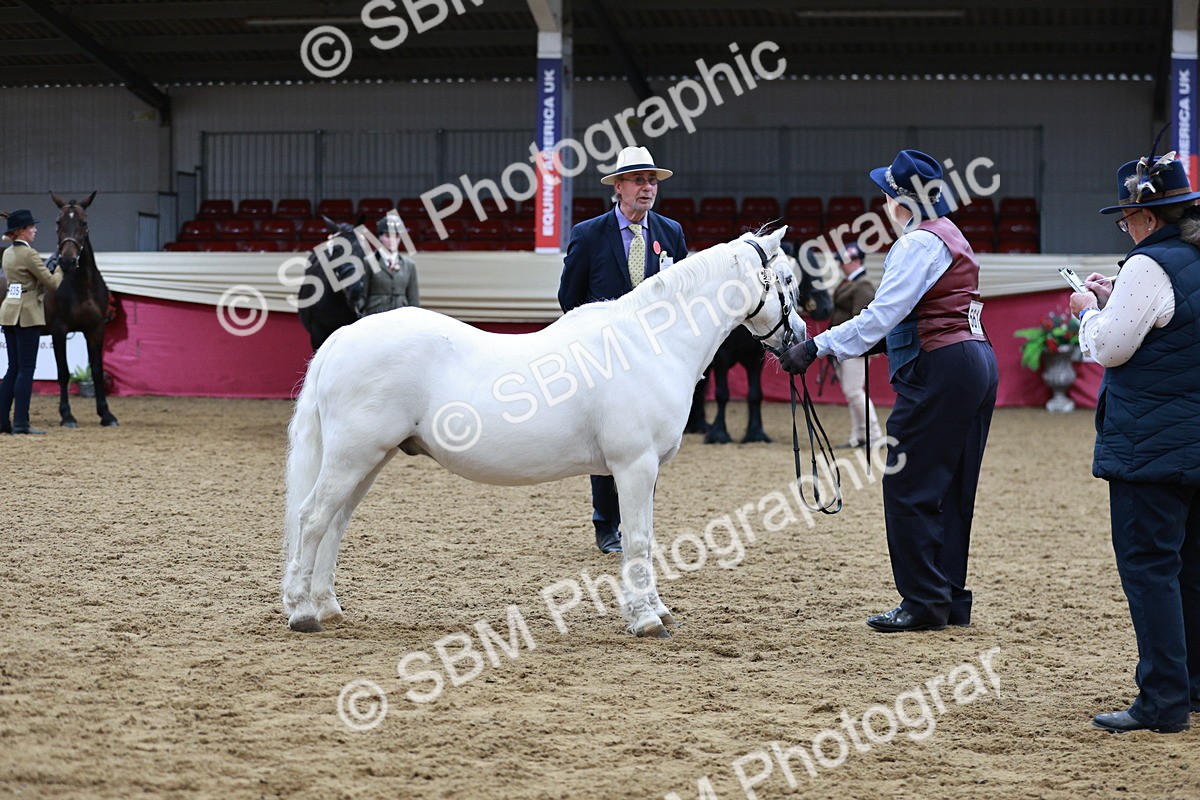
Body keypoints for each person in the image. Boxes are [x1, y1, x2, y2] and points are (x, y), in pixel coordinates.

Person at [778, 149, 998, 633]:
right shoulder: (952, 236)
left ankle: (922, 602)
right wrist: (870, 347)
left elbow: (881, 315)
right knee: (953, 488)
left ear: (902, 201)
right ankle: (947, 598)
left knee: (907, 482)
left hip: (944, 366)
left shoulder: (916, 244)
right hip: (975, 359)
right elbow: (914, 317)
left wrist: (816, 346)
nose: (883, 204)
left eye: (887, 196)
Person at [1069, 151, 1200, 734]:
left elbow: (1110, 347)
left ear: (1146, 217)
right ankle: (1192, 687)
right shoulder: (1187, 259)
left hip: (1152, 445)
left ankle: (1163, 698)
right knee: (1191, 569)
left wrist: (1089, 311)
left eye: (1127, 219)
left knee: (1149, 569)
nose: (1127, 228)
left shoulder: (1149, 264)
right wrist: (1121, 289)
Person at [557, 145, 688, 554]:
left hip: (652, 362)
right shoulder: (588, 234)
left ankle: (638, 525)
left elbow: (682, 295)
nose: (647, 188)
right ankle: (606, 525)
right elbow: (569, 297)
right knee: (609, 444)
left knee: (646, 446)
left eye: (652, 181)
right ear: (618, 186)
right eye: (638, 180)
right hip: (605, 357)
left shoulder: (671, 233)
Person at [1, 209, 61, 435]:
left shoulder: (7, 254)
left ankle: (2, 421)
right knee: (26, 369)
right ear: (20, 232)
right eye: (31, 227)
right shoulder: (29, 254)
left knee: (12, 369)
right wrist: (62, 268)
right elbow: (52, 283)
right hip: (27, 314)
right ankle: (21, 423)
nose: (35, 230)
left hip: (9, 312)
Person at [828, 241, 882, 449]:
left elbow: (861, 321)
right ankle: (859, 435)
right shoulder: (852, 282)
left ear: (855, 260)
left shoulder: (863, 285)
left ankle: (874, 435)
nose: (841, 265)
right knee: (852, 392)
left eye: (844, 261)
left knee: (854, 391)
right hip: (846, 347)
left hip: (856, 348)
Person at [364, 214, 419, 315]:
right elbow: (363, 296)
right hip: (375, 316)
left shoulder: (409, 265)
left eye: (396, 236)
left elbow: (413, 298)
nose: (392, 240)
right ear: (380, 237)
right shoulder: (369, 262)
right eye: (388, 236)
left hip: (401, 317)